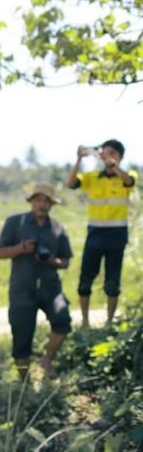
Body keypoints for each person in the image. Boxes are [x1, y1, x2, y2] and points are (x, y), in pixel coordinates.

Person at [0, 183, 73, 379]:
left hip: (50, 288)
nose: (42, 204)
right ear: (31, 201)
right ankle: (24, 382)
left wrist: (51, 261)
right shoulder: (15, 223)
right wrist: (22, 248)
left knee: (63, 321)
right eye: (38, 199)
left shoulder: (57, 228)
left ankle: (47, 360)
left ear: (52, 205)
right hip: (22, 288)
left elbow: (65, 261)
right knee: (21, 338)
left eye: (46, 201)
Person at [66, 140, 138, 327]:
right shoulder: (92, 178)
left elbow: (129, 182)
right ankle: (85, 321)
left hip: (116, 236)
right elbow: (71, 183)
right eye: (105, 152)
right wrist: (79, 160)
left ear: (120, 157)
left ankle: (109, 321)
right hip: (95, 234)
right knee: (85, 281)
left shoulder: (126, 176)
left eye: (112, 153)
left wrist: (113, 165)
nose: (107, 156)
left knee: (112, 283)